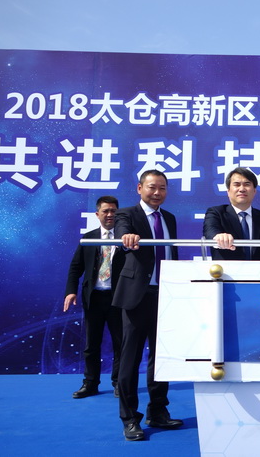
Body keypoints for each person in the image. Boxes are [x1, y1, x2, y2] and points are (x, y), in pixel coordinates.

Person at [112, 170, 183, 441]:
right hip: (136, 296)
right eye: (152, 187)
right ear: (139, 188)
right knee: (130, 360)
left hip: (165, 295)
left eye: (162, 188)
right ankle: (130, 418)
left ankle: (158, 411)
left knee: (161, 358)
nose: (157, 193)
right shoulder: (126, 214)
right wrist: (127, 239)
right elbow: (122, 233)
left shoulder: (169, 218)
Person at [64, 196, 123, 399]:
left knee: (121, 344)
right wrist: (71, 291)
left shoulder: (125, 238)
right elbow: (75, 267)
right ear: (97, 214)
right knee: (91, 345)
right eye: (106, 211)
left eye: (114, 211)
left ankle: (119, 382)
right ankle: (90, 383)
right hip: (94, 298)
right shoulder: (88, 238)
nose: (110, 215)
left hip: (118, 299)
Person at [203, 167, 260, 260]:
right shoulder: (216, 213)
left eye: (247, 184)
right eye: (237, 184)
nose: (242, 189)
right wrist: (218, 237)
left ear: (254, 191)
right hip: (226, 269)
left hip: (259, 269)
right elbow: (210, 231)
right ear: (228, 191)